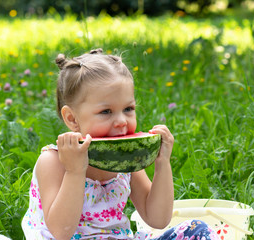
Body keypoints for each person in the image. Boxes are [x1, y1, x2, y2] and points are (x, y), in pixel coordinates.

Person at [22, 48, 219, 240]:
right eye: (106, 111)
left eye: (128, 109)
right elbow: (61, 232)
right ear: (72, 119)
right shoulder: (53, 161)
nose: (122, 121)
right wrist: (74, 171)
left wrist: (162, 164)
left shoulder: (125, 160)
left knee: (198, 230)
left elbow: (157, 219)